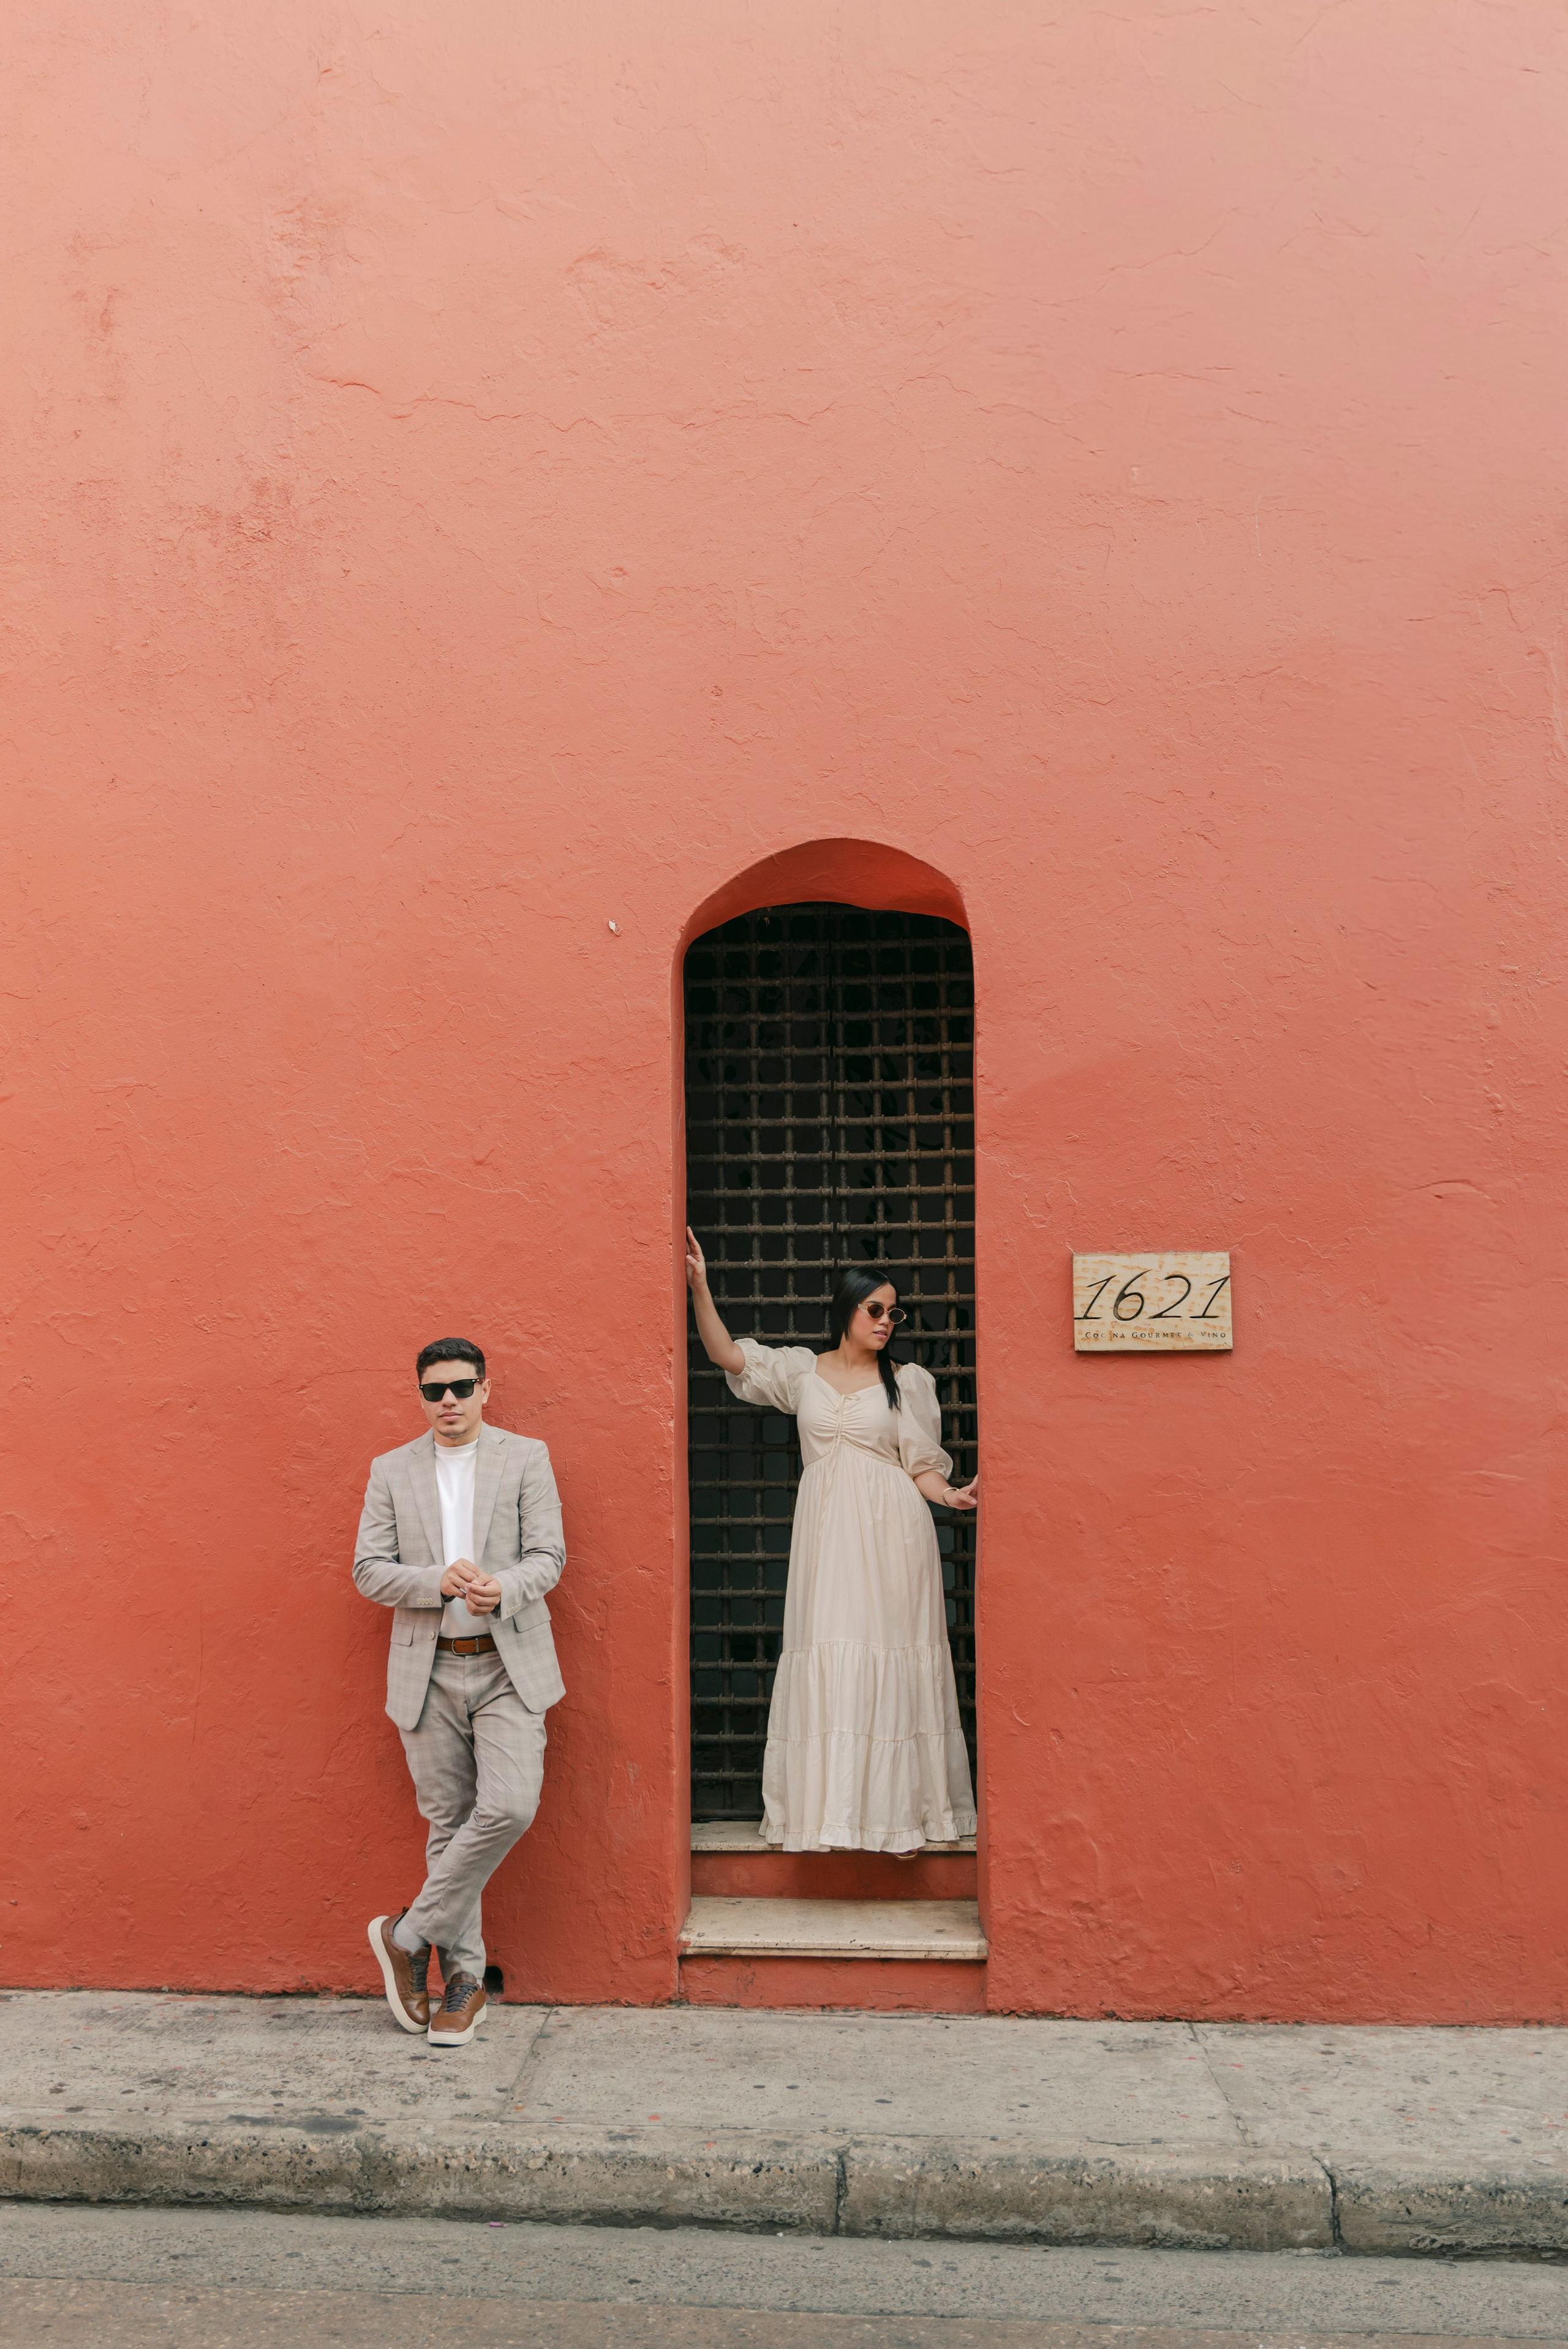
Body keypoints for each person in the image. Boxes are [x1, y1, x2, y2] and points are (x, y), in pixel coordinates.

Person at [684, 1233, 978, 1855]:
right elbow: (727, 1356)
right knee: (827, 1645)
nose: (886, 1321)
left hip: (893, 1531)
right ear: (846, 1310)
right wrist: (699, 1286)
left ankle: (898, 1817)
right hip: (828, 1530)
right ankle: (830, 1816)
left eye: (894, 1312)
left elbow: (921, 1465)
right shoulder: (802, 1371)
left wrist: (950, 1496)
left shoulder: (908, 1381)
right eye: (875, 1309)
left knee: (890, 1651)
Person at [353, 1338, 565, 2046]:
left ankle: (409, 1935)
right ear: (420, 1395)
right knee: (448, 1826)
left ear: (485, 1389)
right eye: (434, 1390)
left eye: (461, 1386)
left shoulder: (525, 1456)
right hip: (428, 1667)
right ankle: (463, 1984)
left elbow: (549, 1556)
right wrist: (433, 1580)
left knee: (509, 1805)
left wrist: (501, 1587)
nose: (448, 1400)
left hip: (507, 1664)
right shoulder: (391, 1470)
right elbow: (368, 1570)